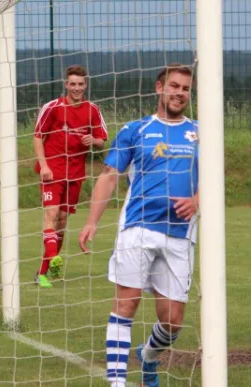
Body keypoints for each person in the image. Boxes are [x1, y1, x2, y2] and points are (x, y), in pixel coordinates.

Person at [79, 63, 198, 387]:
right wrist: (92, 222)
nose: (179, 93)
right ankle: (117, 383)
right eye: (174, 86)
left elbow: (214, 175)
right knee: (126, 304)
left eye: (185, 88)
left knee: (172, 322)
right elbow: (108, 176)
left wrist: (198, 200)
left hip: (181, 234)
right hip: (138, 228)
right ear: (159, 88)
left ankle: (146, 355)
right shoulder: (136, 130)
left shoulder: (201, 132)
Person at [33, 64, 108, 288]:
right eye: (72, 84)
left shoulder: (92, 110)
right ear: (66, 84)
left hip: (75, 174)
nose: (76, 88)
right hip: (52, 171)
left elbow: (101, 140)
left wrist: (92, 141)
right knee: (52, 214)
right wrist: (44, 166)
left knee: (63, 222)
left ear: (85, 85)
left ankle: (44, 271)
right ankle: (54, 258)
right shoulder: (53, 107)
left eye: (80, 84)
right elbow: (37, 137)